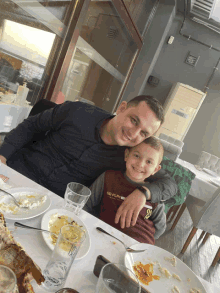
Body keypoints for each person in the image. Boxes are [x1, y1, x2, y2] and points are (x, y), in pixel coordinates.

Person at [0, 95, 177, 228]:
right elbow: (32, 125)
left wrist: (143, 193)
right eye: (134, 120)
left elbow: (171, 184)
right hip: (15, 174)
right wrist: (3, 155)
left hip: (51, 207)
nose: (134, 133)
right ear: (122, 108)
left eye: (144, 133)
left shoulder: (133, 156)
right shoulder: (78, 111)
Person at [84, 137, 166, 244]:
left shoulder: (155, 194)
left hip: (140, 246)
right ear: (127, 155)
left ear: (155, 169)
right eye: (136, 156)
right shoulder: (108, 178)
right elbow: (86, 204)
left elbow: (160, 227)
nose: (140, 164)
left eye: (149, 162)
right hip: (104, 238)